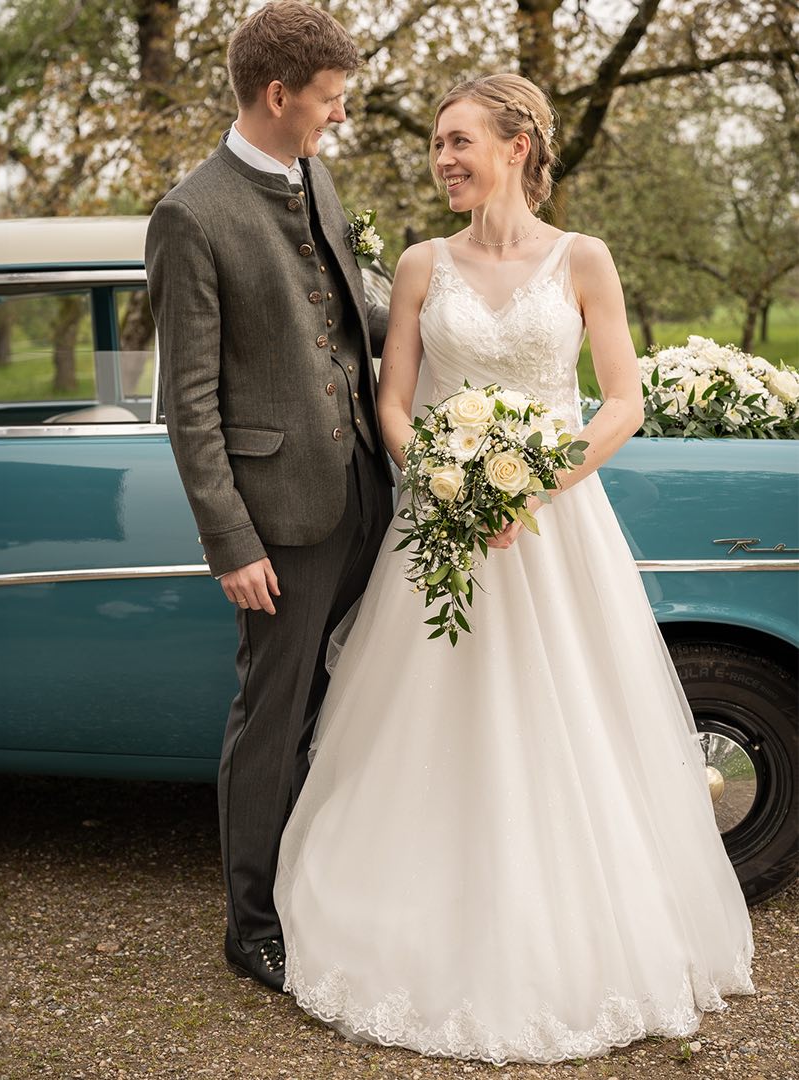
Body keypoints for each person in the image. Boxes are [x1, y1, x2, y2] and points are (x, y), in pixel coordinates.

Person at [273, 73, 754, 1063]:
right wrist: (445, 483)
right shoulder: (418, 264)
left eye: (459, 142)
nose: (443, 159)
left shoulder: (584, 259)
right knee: (432, 723)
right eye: (437, 145)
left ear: (518, 145)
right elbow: (392, 402)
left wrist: (539, 485)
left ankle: (580, 927)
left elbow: (619, 398)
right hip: (444, 533)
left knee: (569, 718)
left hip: (556, 530)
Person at [145, 0, 393, 993]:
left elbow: (349, 321)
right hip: (281, 521)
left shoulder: (314, 174)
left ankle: (323, 885)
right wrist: (231, 541)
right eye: (328, 101)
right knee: (272, 714)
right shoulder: (189, 215)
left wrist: (456, 313)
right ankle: (252, 923)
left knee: (350, 703)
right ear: (279, 94)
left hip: (366, 489)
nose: (337, 118)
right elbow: (188, 404)